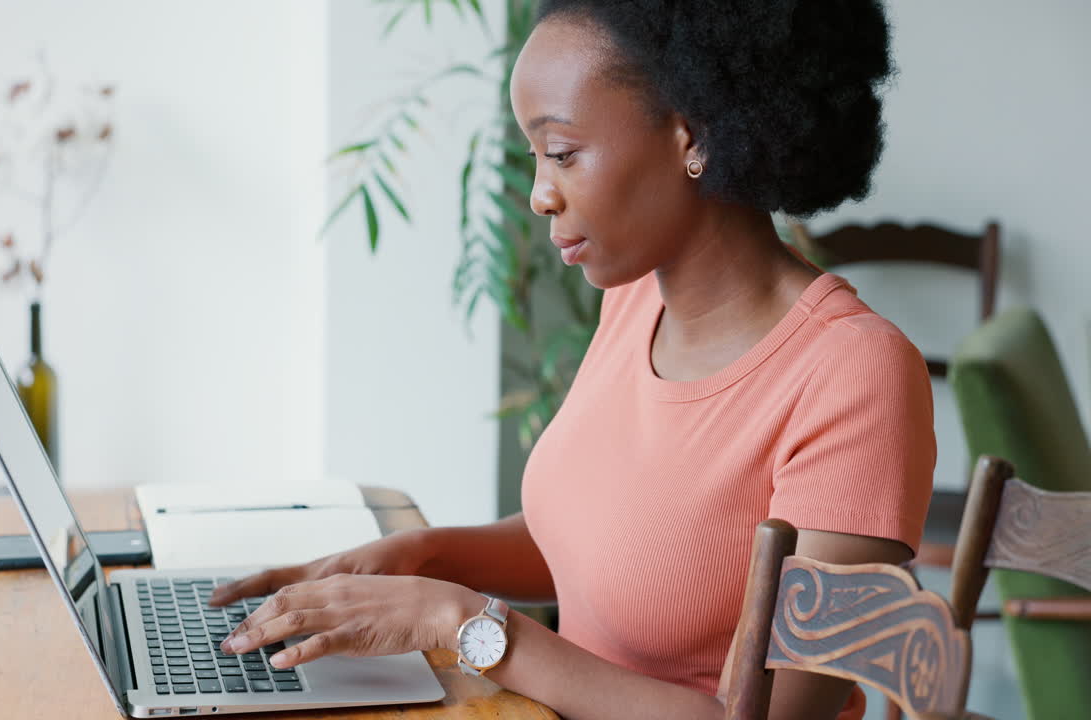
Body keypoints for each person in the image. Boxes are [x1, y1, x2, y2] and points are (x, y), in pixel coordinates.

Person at [209, 2, 934, 718]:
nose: (538, 195)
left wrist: (459, 622)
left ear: (696, 137)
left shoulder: (854, 372)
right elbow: (606, 549)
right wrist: (419, 558)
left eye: (561, 153)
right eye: (536, 158)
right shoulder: (634, 302)